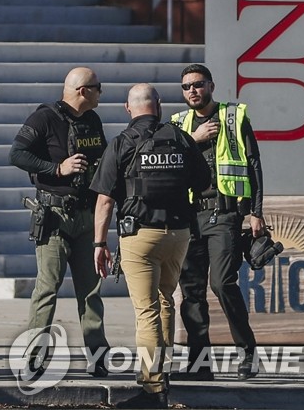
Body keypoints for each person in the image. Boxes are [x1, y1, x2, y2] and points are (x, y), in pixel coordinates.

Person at [90, 84, 211, 408]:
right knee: (165, 301)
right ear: (157, 106)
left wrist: (100, 242)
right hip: (179, 235)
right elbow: (203, 183)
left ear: (128, 109)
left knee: (146, 313)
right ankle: (163, 374)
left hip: (140, 236)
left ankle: (152, 389)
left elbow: (104, 201)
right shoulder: (181, 138)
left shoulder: (122, 143)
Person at [9, 66, 111, 375]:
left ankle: (98, 357)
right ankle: (35, 356)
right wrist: (57, 169)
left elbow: (104, 160)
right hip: (54, 216)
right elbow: (17, 154)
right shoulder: (44, 118)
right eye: (97, 87)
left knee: (91, 291)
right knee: (47, 287)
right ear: (83, 91)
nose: (100, 93)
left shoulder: (92, 120)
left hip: (86, 215)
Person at [172, 64, 265, 380]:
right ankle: (200, 367)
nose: (192, 91)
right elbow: (170, 167)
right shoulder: (179, 125)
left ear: (210, 85)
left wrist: (256, 212)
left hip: (224, 214)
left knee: (222, 283)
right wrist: (193, 140)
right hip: (190, 216)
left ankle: (247, 353)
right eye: (186, 87)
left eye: (197, 84)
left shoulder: (233, 116)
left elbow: (254, 166)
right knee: (192, 292)